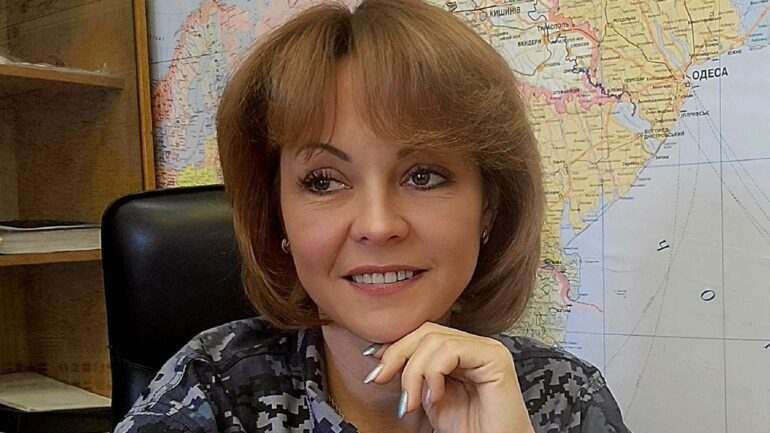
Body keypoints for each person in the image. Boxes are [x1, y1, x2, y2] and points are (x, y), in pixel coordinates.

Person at [115, 0, 631, 432]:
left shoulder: (567, 399)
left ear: (488, 208)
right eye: (324, 181)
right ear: (278, 217)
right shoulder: (213, 389)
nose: (378, 226)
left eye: (423, 176)